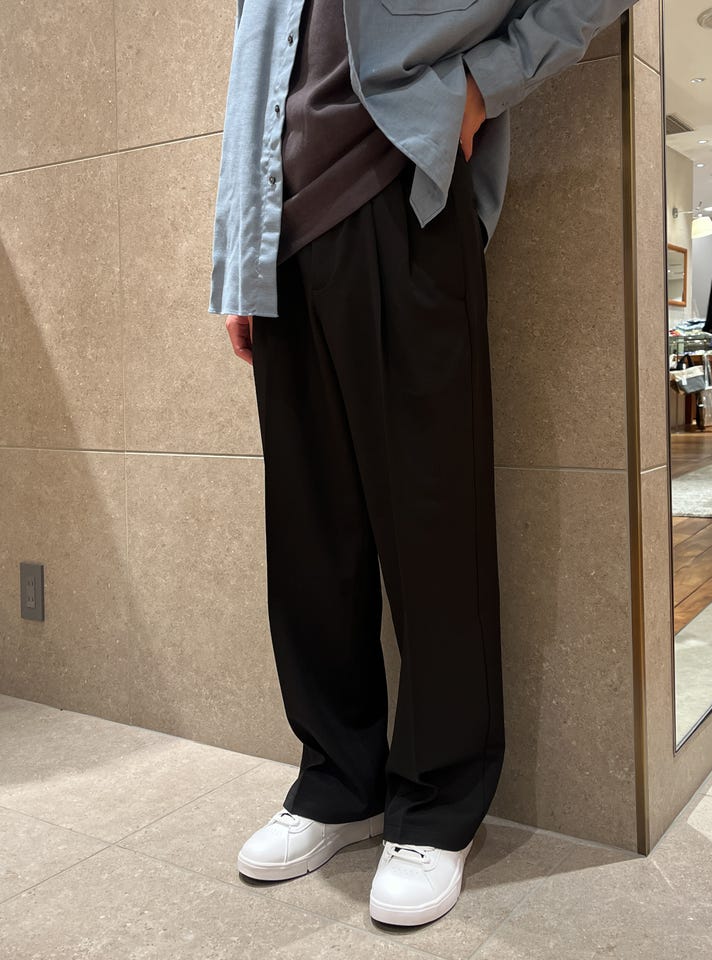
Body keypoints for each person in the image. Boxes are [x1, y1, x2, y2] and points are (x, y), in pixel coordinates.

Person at [208, 0, 639, 927]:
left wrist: (482, 84)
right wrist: (239, 256)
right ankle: (338, 781)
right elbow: (256, 75)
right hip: (281, 240)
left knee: (433, 523)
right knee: (310, 540)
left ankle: (440, 801)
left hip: (402, 193)